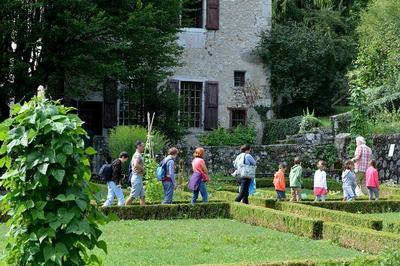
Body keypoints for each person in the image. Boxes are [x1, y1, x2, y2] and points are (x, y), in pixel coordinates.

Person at [126, 141, 146, 206]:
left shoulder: (138, 154)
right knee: (132, 196)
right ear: (138, 146)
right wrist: (143, 169)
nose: (144, 148)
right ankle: (124, 210)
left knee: (142, 196)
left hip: (138, 178)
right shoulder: (137, 155)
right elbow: (135, 164)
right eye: (143, 146)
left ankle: (143, 212)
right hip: (137, 178)